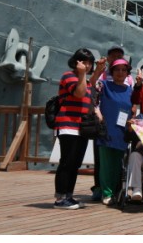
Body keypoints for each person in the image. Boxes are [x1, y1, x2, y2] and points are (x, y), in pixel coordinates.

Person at [89, 44, 133, 201]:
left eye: (123, 70)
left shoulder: (130, 90)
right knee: (106, 164)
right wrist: (97, 71)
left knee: (117, 164)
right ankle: (106, 193)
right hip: (107, 129)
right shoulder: (105, 85)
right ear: (111, 72)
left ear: (127, 73)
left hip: (122, 131)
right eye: (117, 70)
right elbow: (91, 86)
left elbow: (135, 108)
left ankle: (115, 192)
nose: (120, 73)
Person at [53, 48, 95, 209]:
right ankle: (60, 198)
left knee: (75, 163)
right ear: (76, 62)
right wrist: (83, 74)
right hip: (67, 125)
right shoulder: (68, 76)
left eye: (90, 62)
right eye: (84, 62)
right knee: (67, 162)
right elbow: (79, 93)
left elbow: (88, 97)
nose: (88, 65)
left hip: (81, 127)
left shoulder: (85, 80)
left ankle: (69, 196)